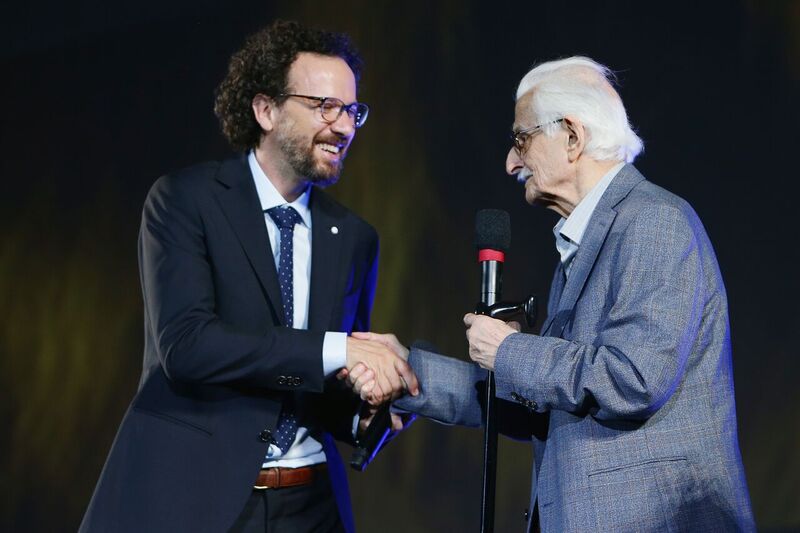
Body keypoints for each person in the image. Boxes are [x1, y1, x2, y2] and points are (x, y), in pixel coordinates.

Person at [351, 56, 755, 531]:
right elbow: (540, 405)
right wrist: (409, 372)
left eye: (521, 139)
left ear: (571, 136)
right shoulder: (585, 244)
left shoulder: (653, 222)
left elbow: (633, 379)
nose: (510, 161)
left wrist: (512, 350)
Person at [80, 20, 417, 533]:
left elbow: (315, 382)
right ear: (265, 110)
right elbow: (189, 346)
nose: (344, 127)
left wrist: (363, 412)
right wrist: (340, 349)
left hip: (312, 505)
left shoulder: (354, 237)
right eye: (324, 106)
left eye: (352, 110)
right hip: (200, 501)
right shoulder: (184, 202)